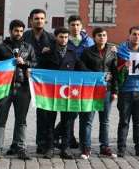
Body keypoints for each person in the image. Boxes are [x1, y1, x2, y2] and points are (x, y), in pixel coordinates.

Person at [0, 20, 37, 160]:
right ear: (10, 31)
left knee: (21, 120)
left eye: (21, 31)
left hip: (23, 87)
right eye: (16, 30)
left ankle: (20, 148)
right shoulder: (1, 48)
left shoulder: (28, 48)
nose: (19, 33)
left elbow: (35, 63)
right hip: (4, 88)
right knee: (0, 120)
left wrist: (25, 63)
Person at [38, 27, 87, 159]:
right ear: (56, 37)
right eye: (61, 37)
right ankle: (49, 148)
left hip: (67, 92)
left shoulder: (72, 52)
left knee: (67, 121)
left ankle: (65, 148)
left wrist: (98, 76)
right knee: (50, 121)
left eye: (66, 37)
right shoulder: (48, 52)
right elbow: (39, 68)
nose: (64, 40)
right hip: (51, 92)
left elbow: (81, 68)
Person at [54, 15, 94, 149]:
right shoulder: (65, 40)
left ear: (81, 26)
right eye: (72, 25)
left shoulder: (89, 42)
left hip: (83, 81)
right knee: (68, 110)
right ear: (69, 26)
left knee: (75, 111)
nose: (75, 27)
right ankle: (68, 138)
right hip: (65, 82)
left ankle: (60, 135)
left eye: (77, 25)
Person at [79, 27, 118, 159]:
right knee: (88, 120)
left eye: (104, 35)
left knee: (105, 120)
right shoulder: (87, 52)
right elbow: (81, 68)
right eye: (99, 35)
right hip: (91, 90)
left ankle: (104, 146)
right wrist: (95, 76)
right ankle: (86, 147)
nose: (102, 37)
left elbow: (115, 72)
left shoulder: (112, 51)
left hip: (106, 90)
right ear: (94, 37)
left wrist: (115, 91)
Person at [22, 8, 55, 154]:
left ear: (45, 20)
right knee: (21, 114)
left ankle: (43, 144)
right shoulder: (24, 36)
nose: (39, 21)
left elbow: (56, 59)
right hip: (24, 79)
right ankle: (18, 144)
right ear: (31, 20)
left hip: (44, 82)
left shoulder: (51, 38)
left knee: (45, 114)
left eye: (42, 18)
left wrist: (49, 54)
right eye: (36, 18)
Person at [116, 26, 139, 158]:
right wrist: (123, 67)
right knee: (124, 120)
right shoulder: (121, 52)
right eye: (134, 34)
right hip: (126, 90)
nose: (136, 37)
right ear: (129, 35)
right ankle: (121, 147)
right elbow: (116, 71)